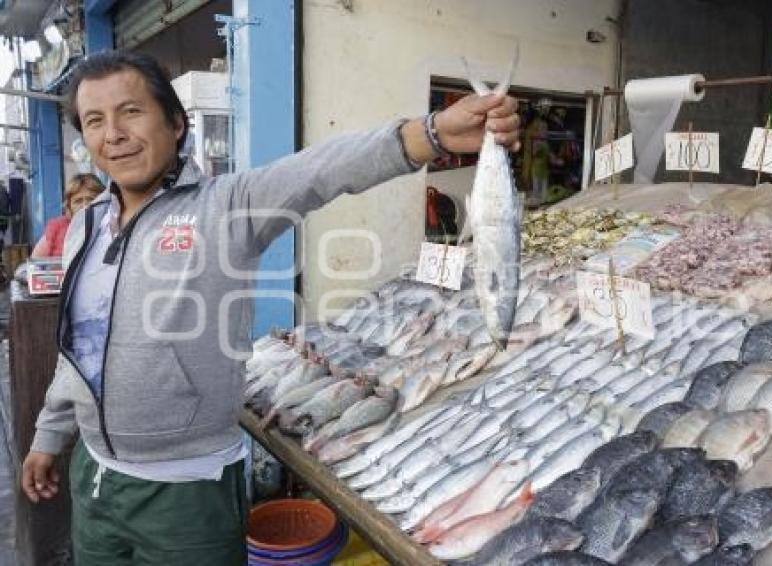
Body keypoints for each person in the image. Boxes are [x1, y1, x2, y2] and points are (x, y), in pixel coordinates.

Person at [20, 50, 521, 565]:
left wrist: (432, 134)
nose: (114, 134)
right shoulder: (86, 225)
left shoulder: (226, 206)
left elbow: (322, 171)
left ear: (175, 122)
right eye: (95, 121)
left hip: (187, 494)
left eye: (131, 111)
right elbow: (77, 345)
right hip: (94, 477)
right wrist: (48, 435)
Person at [31, 173, 105, 258]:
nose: (85, 205)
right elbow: (36, 263)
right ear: (69, 206)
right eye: (78, 201)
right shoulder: (57, 229)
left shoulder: (111, 226)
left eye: (91, 199)